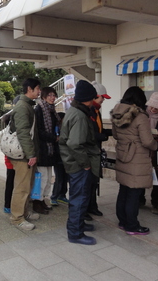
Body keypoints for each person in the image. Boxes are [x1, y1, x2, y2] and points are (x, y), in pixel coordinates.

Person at [110, 86, 158, 236]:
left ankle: (123, 221)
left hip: (122, 155)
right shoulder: (140, 116)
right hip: (137, 159)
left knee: (124, 190)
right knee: (134, 193)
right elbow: (147, 141)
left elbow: (115, 135)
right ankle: (132, 225)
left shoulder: (116, 113)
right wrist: (156, 145)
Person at [59, 80, 100, 245]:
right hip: (78, 164)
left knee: (78, 196)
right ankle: (75, 233)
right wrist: (85, 163)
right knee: (79, 198)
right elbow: (75, 144)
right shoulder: (80, 116)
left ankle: (78, 224)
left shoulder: (74, 110)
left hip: (72, 162)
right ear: (88, 98)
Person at [9, 78, 41, 231]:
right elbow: (23, 133)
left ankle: (25, 212)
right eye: (37, 88)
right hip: (23, 155)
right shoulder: (22, 107)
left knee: (27, 185)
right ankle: (17, 218)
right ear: (30, 89)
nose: (39, 91)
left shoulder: (27, 105)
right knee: (21, 187)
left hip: (27, 153)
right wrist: (31, 154)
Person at [87, 81, 112, 218]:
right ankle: (87, 209)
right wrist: (102, 136)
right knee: (89, 182)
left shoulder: (96, 111)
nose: (103, 100)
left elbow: (99, 129)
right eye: (102, 97)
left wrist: (110, 132)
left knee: (94, 181)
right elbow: (90, 133)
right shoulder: (88, 111)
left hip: (96, 151)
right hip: (90, 152)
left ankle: (93, 206)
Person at [34, 87, 61, 214]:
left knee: (49, 178)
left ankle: (43, 200)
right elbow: (38, 131)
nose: (52, 97)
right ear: (43, 97)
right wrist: (53, 137)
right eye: (49, 95)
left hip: (50, 150)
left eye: (54, 95)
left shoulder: (51, 110)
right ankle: (37, 203)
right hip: (42, 150)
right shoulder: (39, 109)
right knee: (42, 178)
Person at [50, 112, 69, 206]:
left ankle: (62, 195)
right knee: (59, 178)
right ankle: (54, 196)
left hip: (66, 157)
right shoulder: (56, 129)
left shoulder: (66, 129)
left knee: (65, 177)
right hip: (58, 157)